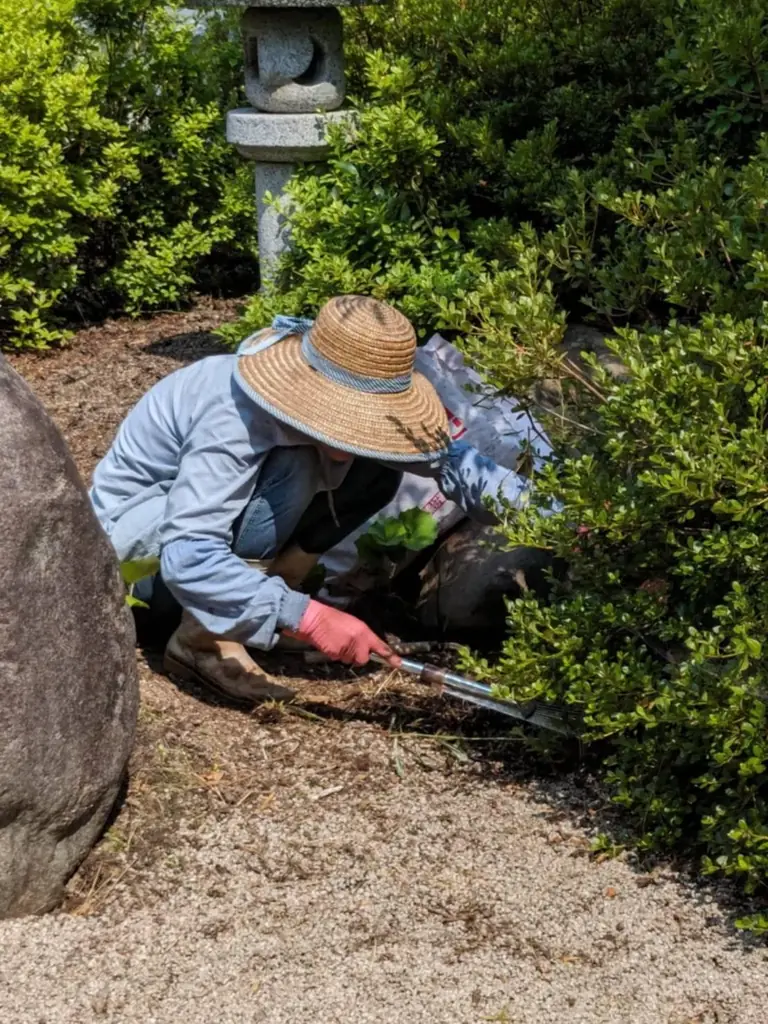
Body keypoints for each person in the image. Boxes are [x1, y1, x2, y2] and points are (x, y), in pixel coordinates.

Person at [90, 295, 535, 704]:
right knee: (294, 466)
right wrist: (309, 618)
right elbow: (188, 555)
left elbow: (451, 462)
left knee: (379, 465)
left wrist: (558, 520)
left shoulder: (344, 401)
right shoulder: (236, 415)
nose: (356, 428)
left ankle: (260, 607)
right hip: (133, 573)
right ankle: (202, 641)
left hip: (190, 562)